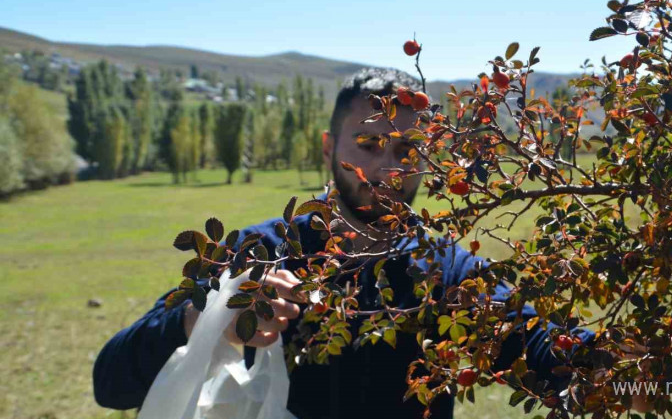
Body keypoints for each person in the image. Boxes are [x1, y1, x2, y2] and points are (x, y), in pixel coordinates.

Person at [92, 68, 600, 419]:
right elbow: (112, 381)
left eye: (407, 148)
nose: (387, 169)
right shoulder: (258, 255)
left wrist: (626, 372)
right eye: (369, 144)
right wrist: (213, 317)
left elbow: (539, 346)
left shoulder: (446, 270)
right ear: (328, 146)